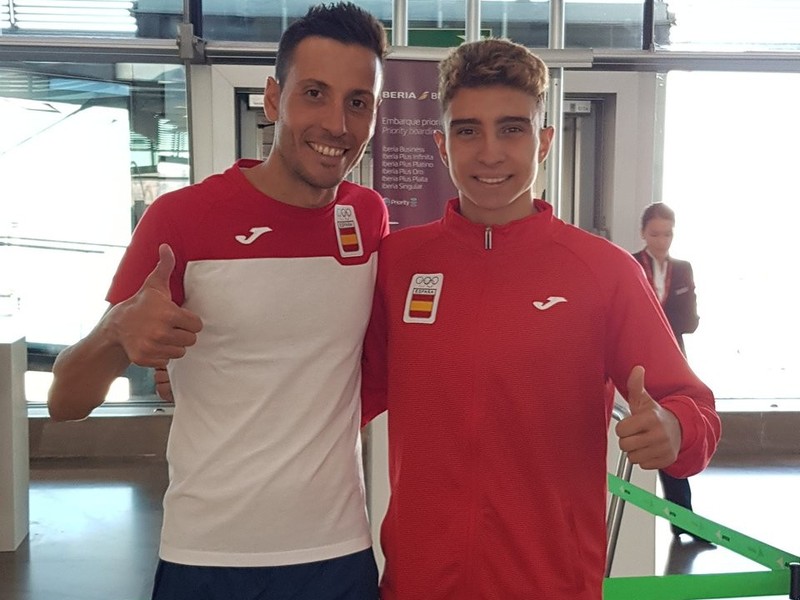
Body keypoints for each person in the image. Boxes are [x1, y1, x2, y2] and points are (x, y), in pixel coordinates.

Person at [47, 4, 389, 599]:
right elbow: (64, 402)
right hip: (206, 554)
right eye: (315, 93)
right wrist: (116, 331)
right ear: (274, 99)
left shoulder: (367, 217)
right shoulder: (181, 218)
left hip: (337, 551)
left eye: (358, 102)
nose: (337, 123)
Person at [360, 38, 721, 599]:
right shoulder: (398, 263)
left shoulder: (603, 271)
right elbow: (339, 392)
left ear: (544, 141)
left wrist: (676, 428)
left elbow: (693, 407)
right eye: (468, 131)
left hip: (552, 584)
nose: (490, 153)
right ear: (441, 145)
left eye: (512, 129)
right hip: (418, 583)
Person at [633, 202, 703, 540]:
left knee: (672, 437)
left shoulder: (683, 269)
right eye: (655, 234)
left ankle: (683, 519)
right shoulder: (630, 264)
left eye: (668, 234)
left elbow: (689, 321)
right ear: (643, 233)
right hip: (634, 362)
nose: (662, 241)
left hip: (673, 362)